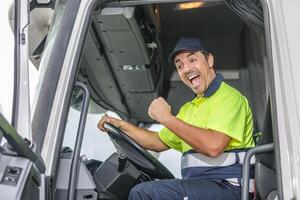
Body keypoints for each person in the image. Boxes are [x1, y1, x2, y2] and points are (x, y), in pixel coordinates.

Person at [98, 37, 255, 200]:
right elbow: (157, 141)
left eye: (192, 60)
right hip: (202, 186)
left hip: (231, 187)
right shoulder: (189, 109)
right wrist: (120, 125)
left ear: (209, 60)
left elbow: (213, 146)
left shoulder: (228, 97)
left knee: (143, 193)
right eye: (179, 66)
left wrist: (166, 117)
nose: (186, 69)